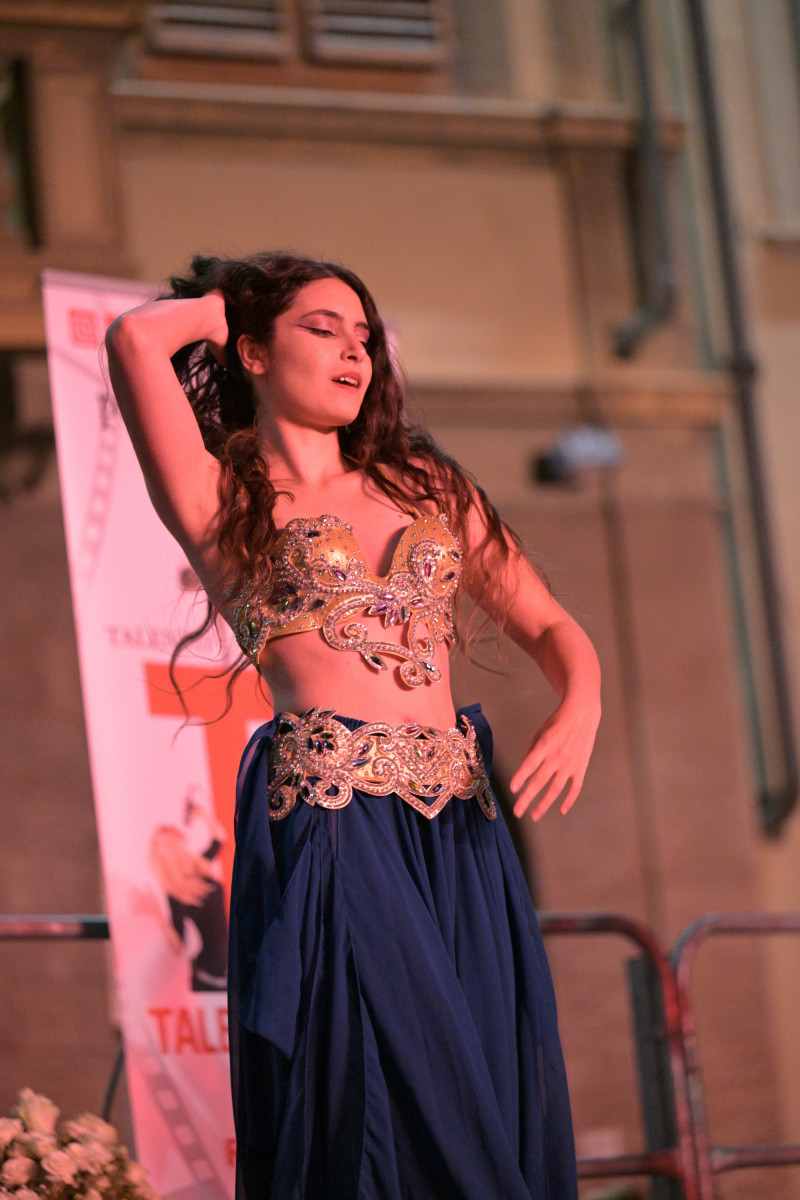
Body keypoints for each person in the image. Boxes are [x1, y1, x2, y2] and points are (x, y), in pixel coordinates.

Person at [105, 252, 601, 1200]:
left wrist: (583, 699)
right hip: (336, 826)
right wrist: (227, 305)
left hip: (461, 831)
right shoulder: (224, 500)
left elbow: (548, 626)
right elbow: (135, 339)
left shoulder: (426, 487)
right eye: (322, 330)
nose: (354, 353)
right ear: (252, 352)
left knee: (483, 1078)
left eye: (364, 337)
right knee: (391, 1098)